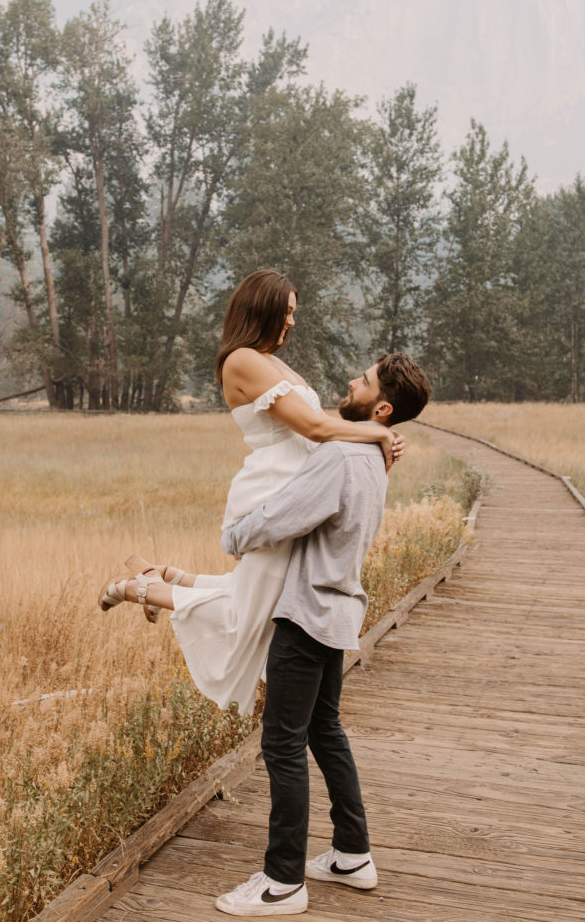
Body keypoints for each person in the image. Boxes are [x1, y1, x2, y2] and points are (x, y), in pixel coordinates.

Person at [98, 269, 403, 716]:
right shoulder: (241, 359)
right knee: (248, 609)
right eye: (289, 312)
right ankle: (132, 588)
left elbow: (321, 430)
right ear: (266, 308)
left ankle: (162, 576)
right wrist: (375, 433)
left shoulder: (274, 362)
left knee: (257, 596)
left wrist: (372, 443)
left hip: (297, 488)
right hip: (272, 486)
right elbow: (315, 428)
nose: (293, 322)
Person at [213, 352, 432, 916]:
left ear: (379, 407)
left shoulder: (343, 453)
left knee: (282, 744)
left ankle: (282, 882)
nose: (350, 382)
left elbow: (286, 512)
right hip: (337, 611)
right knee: (324, 731)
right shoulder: (375, 455)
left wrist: (235, 535)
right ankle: (351, 854)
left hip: (307, 613)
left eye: (362, 381)